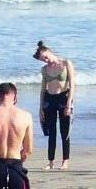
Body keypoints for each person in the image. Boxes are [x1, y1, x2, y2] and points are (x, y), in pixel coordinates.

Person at [33, 42, 75, 170]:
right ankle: (50, 162)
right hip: (49, 99)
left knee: (64, 131)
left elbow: (72, 85)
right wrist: (41, 108)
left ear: (49, 51)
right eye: (42, 60)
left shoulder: (66, 63)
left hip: (64, 98)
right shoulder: (44, 69)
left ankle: (65, 161)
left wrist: (69, 104)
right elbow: (42, 90)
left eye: (45, 57)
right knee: (52, 132)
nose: (45, 60)